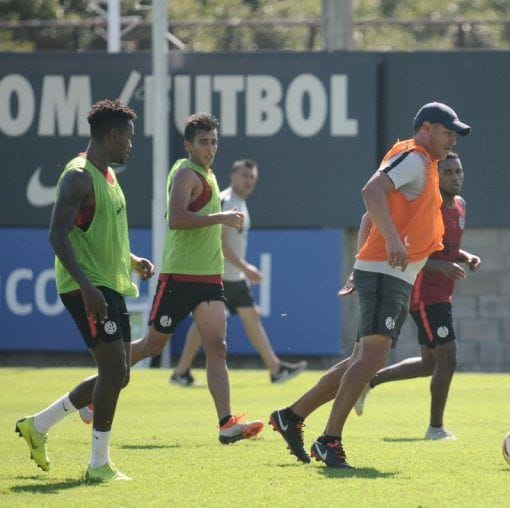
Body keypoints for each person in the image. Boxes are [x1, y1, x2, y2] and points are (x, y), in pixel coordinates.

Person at [22, 113, 264, 454]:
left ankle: (226, 423)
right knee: (148, 348)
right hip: (178, 276)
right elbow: (177, 219)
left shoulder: (205, 175)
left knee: (217, 346)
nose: (210, 149)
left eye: (214, 142)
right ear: (188, 145)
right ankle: (90, 405)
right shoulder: (183, 173)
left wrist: (132, 260)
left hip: (209, 276)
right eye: (203, 142)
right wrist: (220, 217)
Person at [269, 101, 471, 468]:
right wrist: (390, 242)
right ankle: (329, 440)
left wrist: (369, 257)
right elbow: (370, 192)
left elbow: (373, 214)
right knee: (372, 359)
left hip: (387, 273)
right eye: (447, 131)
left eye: (454, 134)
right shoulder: (414, 157)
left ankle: (292, 416)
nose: (451, 139)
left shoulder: (424, 164)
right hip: (385, 273)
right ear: (426, 127)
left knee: (360, 359)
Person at [15, 99, 154, 482]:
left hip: (108, 283)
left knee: (119, 374)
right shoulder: (77, 176)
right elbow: (57, 236)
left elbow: (101, 235)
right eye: (127, 137)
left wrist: (133, 260)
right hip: (88, 288)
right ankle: (98, 466)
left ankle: (38, 425)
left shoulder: (108, 176)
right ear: (111, 135)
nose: (130, 145)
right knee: (113, 370)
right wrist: (86, 286)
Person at [346, 152, 481, 441]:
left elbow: (444, 248)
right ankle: (435, 429)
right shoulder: (427, 206)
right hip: (423, 293)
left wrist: (464, 256)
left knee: (428, 363)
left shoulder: (460, 206)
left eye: (459, 171)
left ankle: (372, 380)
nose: (455, 177)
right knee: (449, 358)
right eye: (448, 172)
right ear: (436, 176)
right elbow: (415, 252)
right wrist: (442, 266)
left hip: (442, 293)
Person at [169, 159, 307, 387]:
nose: (248, 181)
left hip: (234, 276)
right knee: (206, 324)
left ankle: (275, 369)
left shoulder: (240, 203)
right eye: (244, 175)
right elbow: (219, 242)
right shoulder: (226, 201)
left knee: (247, 317)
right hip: (220, 274)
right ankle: (181, 372)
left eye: (252, 177)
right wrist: (246, 267)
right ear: (232, 176)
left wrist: (241, 270)